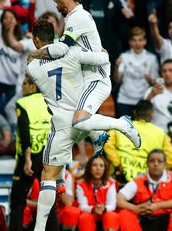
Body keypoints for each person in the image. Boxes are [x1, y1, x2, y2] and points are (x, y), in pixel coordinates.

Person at [28, 0, 141, 152]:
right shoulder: (72, 18)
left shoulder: (78, 17)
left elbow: (62, 50)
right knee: (67, 116)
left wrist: (36, 54)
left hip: (96, 79)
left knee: (79, 122)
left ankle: (122, 124)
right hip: (85, 79)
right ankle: (97, 135)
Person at [26, 19, 109, 231]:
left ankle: (39, 228)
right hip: (82, 117)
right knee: (58, 163)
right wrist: (102, 52)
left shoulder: (33, 67)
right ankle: (97, 133)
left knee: (47, 174)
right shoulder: (71, 52)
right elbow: (101, 56)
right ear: (54, 37)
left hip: (62, 123)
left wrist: (36, 55)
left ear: (36, 40)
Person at [9, 74, 58, 231]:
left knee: (17, 201)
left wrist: (28, 159)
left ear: (33, 86)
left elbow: (24, 132)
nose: (22, 86)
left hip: (30, 158)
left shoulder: (23, 103)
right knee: (49, 200)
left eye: (24, 83)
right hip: (48, 157)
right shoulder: (51, 102)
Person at [104, 100, 172, 186]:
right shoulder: (161, 133)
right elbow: (171, 159)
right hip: (146, 183)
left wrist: (118, 164)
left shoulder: (120, 127)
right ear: (151, 114)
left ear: (134, 113)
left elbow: (106, 142)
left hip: (120, 179)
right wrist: (155, 169)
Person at [117, 149, 172, 231]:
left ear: (165, 164)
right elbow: (118, 199)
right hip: (143, 220)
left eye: (159, 161)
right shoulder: (138, 180)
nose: (155, 164)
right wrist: (135, 208)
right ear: (147, 164)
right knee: (124, 213)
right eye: (152, 161)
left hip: (167, 220)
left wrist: (157, 206)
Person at [114, 27, 159, 118]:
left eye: (140, 40)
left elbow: (155, 83)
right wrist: (116, 66)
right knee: (123, 130)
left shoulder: (151, 58)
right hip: (124, 100)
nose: (137, 43)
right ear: (130, 42)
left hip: (143, 100)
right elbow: (117, 80)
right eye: (134, 40)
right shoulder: (124, 56)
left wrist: (149, 79)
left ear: (145, 41)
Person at [75, 156, 120, 231]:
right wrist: (93, 209)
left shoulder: (111, 183)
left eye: (101, 165)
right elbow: (82, 206)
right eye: (94, 165)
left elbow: (112, 205)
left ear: (105, 169)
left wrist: (104, 208)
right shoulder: (81, 184)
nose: (98, 168)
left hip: (105, 213)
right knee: (85, 217)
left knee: (112, 216)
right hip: (90, 213)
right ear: (89, 168)